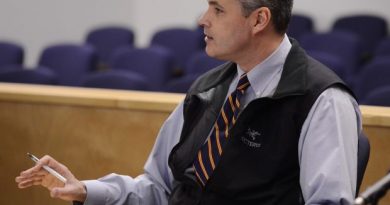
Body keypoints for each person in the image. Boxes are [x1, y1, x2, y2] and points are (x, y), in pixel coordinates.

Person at [15, 0, 362, 204]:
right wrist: (86, 190)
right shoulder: (206, 89)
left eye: (217, 9)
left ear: (259, 19)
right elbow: (158, 189)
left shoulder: (323, 100)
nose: (202, 19)